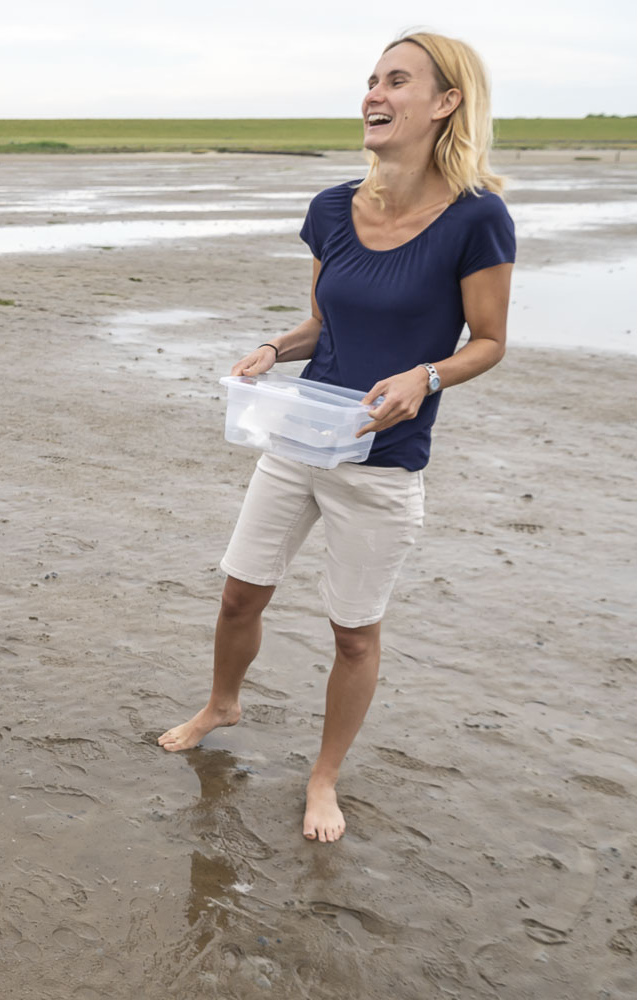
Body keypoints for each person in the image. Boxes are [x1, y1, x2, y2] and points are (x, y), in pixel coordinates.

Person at [158, 32, 514, 844]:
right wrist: (272, 349)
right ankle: (223, 701)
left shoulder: (477, 218)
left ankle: (323, 778)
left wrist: (424, 378)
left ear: (446, 102)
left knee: (353, 632)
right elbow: (323, 322)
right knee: (240, 592)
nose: (374, 95)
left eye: (397, 81)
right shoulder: (330, 208)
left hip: (385, 461)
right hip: (302, 434)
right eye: (370, 81)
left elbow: (488, 341)